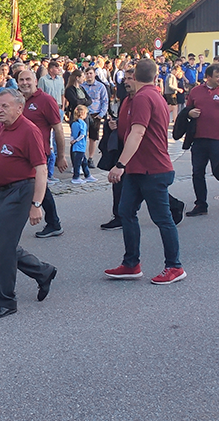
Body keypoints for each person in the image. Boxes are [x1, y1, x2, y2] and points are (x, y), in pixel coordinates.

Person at [0, 89, 57, 319]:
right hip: (4, 192)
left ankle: (6, 300)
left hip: (21, 191)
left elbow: (41, 169)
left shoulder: (29, 131)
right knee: (2, 244)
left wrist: (36, 204)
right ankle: (43, 271)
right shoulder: (3, 129)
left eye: (5, 106)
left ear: (19, 108)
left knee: (4, 247)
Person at [104, 59, 186, 284]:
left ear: (136, 76)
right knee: (126, 211)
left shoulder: (143, 97)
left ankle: (174, 266)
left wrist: (120, 164)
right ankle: (131, 263)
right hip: (139, 169)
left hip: (152, 168)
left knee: (162, 218)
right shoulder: (154, 95)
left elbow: (137, 132)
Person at [16, 69, 67, 238]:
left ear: (36, 81)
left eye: (28, 79)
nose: (24, 83)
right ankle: (51, 222)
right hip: (20, 154)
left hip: (39, 153)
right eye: (21, 80)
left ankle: (53, 223)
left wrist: (61, 156)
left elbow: (58, 129)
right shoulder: (18, 100)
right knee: (32, 187)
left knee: (38, 187)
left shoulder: (46, 100)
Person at [184, 64, 219, 216]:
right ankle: (201, 204)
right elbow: (187, 110)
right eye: (217, 76)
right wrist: (190, 113)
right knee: (197, 172)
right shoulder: (195, 91)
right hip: (199, 138)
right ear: (208, 77)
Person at [81, 67, 109, 167]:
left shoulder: (101, 87)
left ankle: (91, 158)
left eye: (90, 73)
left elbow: (105, 101)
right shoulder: (81, 86)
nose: (89, 75)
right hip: (83, 114)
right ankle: (81, 157)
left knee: (93, 138)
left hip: (95, 114)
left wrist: (101, 114)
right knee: (82, 136)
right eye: (87, 73)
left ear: (94, 75)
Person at [69, 105, 94, 183]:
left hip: (78, 146)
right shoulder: (82, 123)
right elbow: (82, 134)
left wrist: (72, 140)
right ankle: (76, 177)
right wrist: (75, 140)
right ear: (82, 113)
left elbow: (72, 134)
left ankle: (87, 175)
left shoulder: (74, 123)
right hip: (79, 146)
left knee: (83, 161)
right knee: (78, 162)